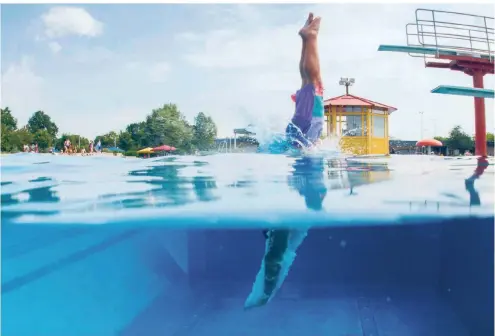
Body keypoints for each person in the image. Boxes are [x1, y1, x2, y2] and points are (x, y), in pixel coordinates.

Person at [285, 12, 324, 150]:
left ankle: (310, 37)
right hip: (302, 120)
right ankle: (306, 39)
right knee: (307, 80)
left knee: (314, 81)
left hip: (309, 118)